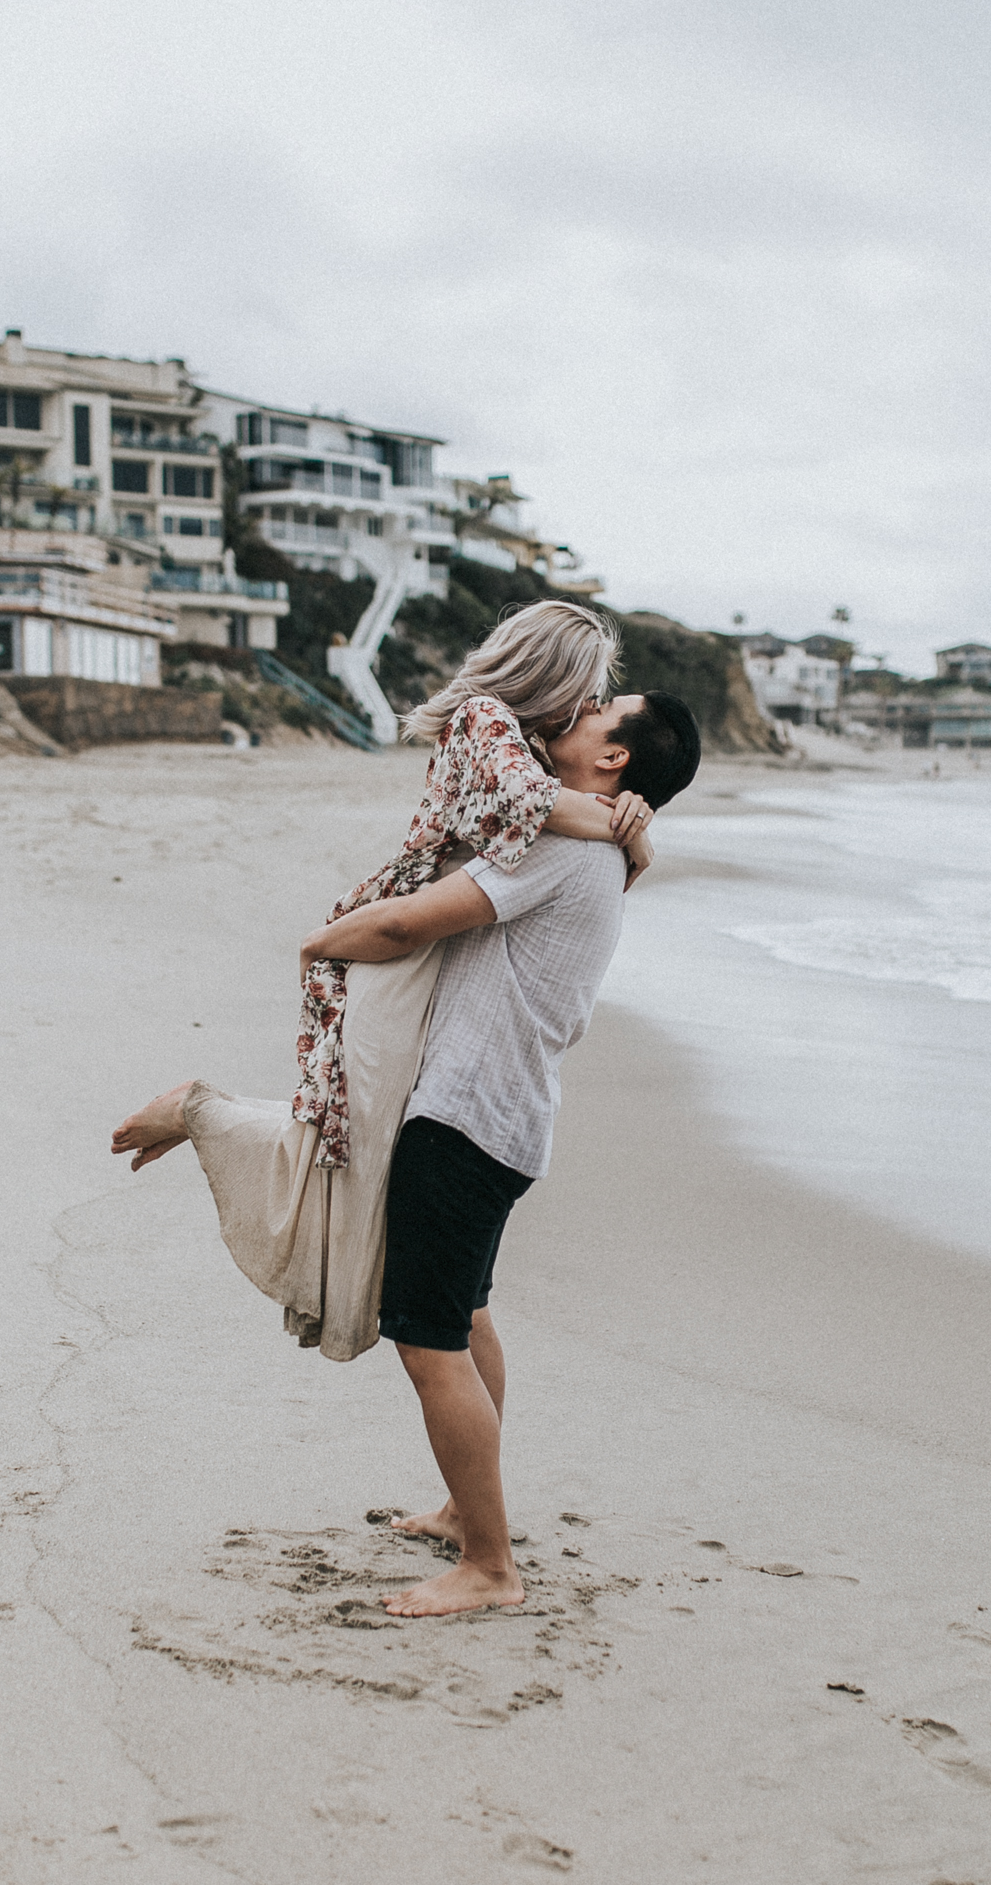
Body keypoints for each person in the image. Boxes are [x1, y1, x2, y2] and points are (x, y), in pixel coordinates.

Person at [113, 603, 659, 1361]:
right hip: (401, 929)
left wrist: (631, 828)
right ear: (552, 671)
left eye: (601, 702)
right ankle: (203, 1118)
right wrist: (628, 829)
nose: (590, 706)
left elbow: (540, 821)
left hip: (436, 933)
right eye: (590, 689)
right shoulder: (483, 718)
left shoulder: (529, 744)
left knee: (360, 1134)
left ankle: (208, 1121)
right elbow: (529, 810)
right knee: (349, 1123)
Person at [293, 689, 701, 1618]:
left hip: (466, 1120)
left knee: (427, 1338)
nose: (582, 709)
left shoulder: (570, 847)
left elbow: (408, 924)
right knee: (467, 1319)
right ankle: (460, 1512)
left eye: (602, 711)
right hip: (503, 1119)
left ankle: (488, 1565)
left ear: (615, 760)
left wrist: (321, 944)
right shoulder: (592, 844)